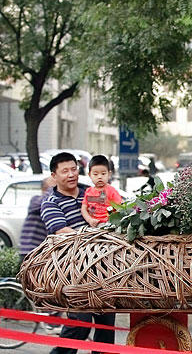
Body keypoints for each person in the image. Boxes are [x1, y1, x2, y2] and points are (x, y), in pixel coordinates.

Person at [41, 152, 116, 354]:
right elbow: (62, 231)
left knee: (106, 327)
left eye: (74, 169)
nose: (71, 174)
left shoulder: (91, 192)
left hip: (102, 270)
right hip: (72, 273)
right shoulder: (51, 202)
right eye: (65, 171)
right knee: (79, 325)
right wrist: (93, 234)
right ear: (54, 175)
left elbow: (111, 210)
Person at [19, 176, 56, 262]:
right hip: (29, 250)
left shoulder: (54, 203)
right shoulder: (35, 200)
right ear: (44, 189)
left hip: (42, 252)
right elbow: (44, 202)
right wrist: (53, 187)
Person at [81, 155, 122, 227]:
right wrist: (89, 220)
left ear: (109, 174)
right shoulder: (88, 191)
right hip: (92, 225)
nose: (100, 177)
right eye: (95, 174)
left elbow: (120, 207)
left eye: (103, 174)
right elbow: (83, 209)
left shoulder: (112, 191)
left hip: (108, 225)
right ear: (89, 175)